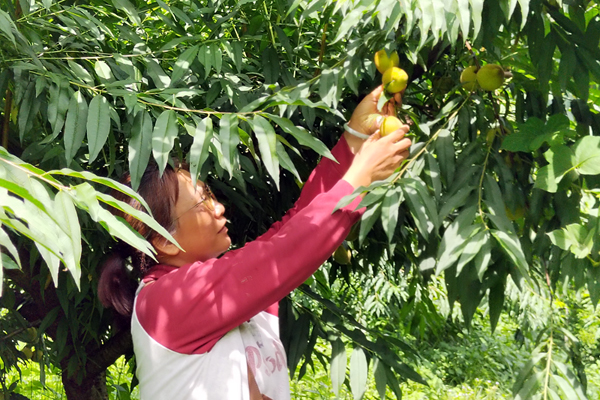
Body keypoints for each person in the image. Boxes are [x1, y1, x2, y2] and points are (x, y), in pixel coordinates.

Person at [98, 85, 412, 400]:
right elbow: (285, 252)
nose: (219, 207)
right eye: (202, 203)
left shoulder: (218, 287)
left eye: (210, 195)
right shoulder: (168, 300)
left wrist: (354, 140)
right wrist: (359, 178)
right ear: (164, 241)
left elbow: (292, 231)